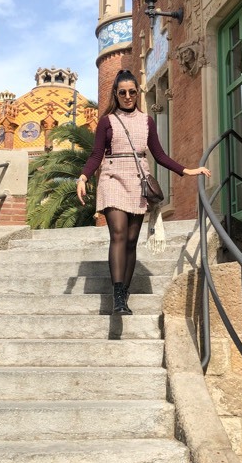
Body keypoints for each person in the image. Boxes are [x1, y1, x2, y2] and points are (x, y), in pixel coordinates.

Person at [77, 69, 210, 316]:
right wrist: (83, 176)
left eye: (131, 92)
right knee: (118, 233)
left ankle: (124, 293)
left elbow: (158, 154)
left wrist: (187, 170)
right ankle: (117, 295)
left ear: (137, 93)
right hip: (112, 177)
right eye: (122, 92)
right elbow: (97, 154)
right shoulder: (107, 121)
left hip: (139, 182)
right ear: (115, 95)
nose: (127, 96)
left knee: (130, 240)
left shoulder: (146, 121)